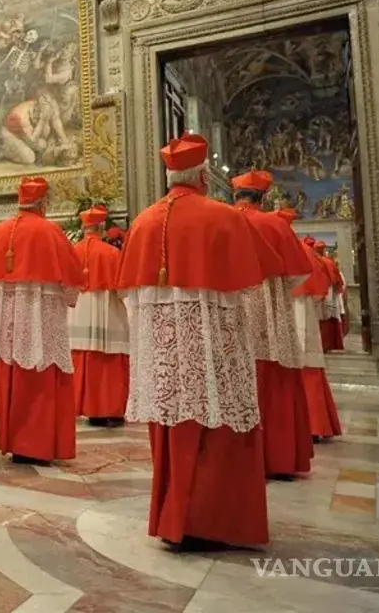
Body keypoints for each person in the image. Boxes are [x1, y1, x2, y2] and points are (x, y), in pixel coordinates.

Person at [115, 133, 278, 550]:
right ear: (204, 174)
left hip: (163, 355)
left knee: (173, 424)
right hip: (213, 347)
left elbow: (128, 294)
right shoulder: (222, 216)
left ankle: (173, 517)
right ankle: (212, 521)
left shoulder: (143, 221)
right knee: (217, 421)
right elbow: (250, 284)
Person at [0, 177, 84, 465]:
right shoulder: (50, 231)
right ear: (44, 203)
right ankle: (37, 445)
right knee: (40, 372)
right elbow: (72, 279)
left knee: (12, 371)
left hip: (6, 321)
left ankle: (15, 441)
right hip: (41, 318)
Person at [231, 170, 316, 479]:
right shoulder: (275, 224)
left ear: (235, 196)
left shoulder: (223, 219)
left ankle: (239, 459)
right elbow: (299, 274)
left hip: (231, 308)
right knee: (275, 375)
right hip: (269, 309)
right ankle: (278, 458)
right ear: (263, 198)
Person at [69, 205, 129, 427]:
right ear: (102, 227)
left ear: (84, 228)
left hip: (78, 315)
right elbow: (123, 290)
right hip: (108, 313)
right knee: (109, 358)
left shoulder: (72, 252)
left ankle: (88, 409)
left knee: (83, 357)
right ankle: (110, 410)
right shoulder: (112, 253)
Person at [298, 236, 343, 441]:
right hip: (302, 309)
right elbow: (321, 289)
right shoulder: (307, 254)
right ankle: (314, 424)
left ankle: (313, 423)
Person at [314, 240, 345, 352]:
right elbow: (337, 281)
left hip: (319, 295)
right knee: (328, 317)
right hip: (328, 294)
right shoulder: (328, 262)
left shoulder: (316, 261)